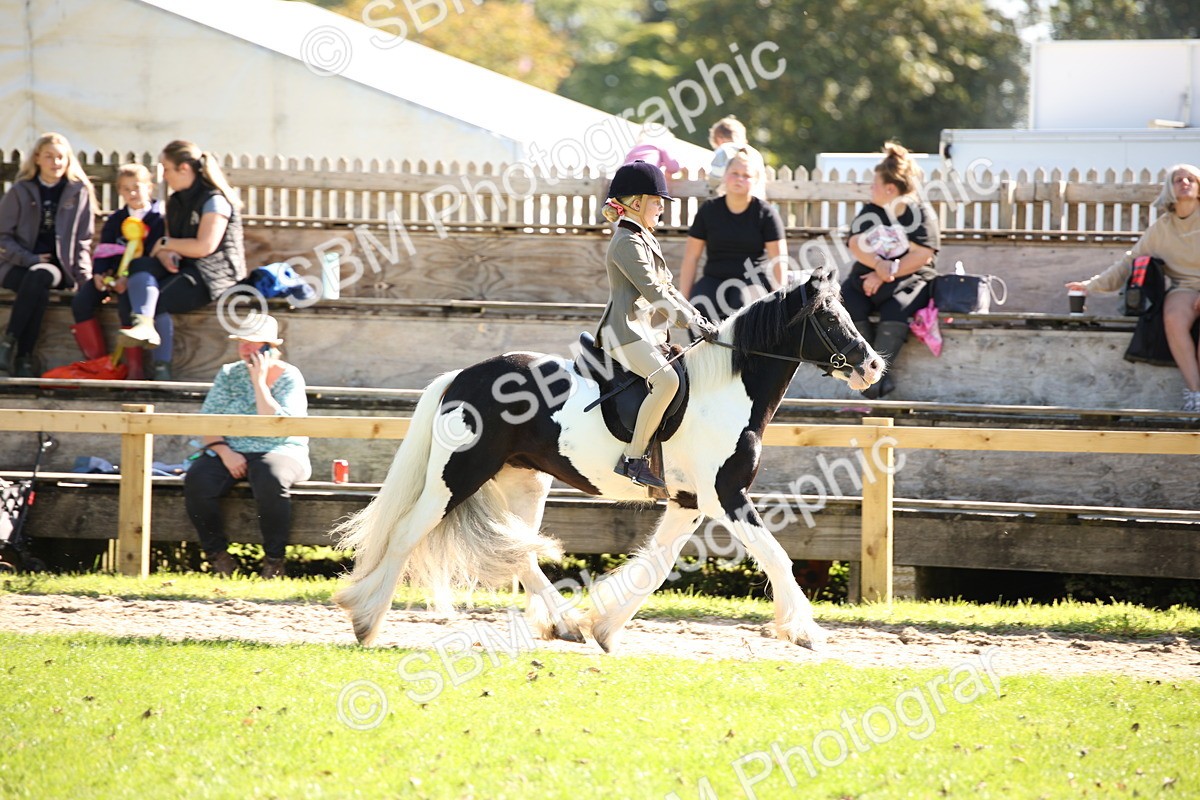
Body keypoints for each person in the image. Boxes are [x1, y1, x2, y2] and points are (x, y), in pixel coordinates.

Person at [596, 161, 719, 490]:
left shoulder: (644, 238)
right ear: (636, 203)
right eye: (656, 202)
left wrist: (697, 318)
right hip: (624, 332)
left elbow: (669, 288)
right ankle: (633, 459)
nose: (661, 209)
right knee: (666, 382)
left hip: (646, 331)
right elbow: (653, 292)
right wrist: (689, 322)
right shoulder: (627, 242)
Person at [184, 314, 310, 578]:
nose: (245, 349)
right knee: (198, 479)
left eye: (252, 344)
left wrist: (259, 382)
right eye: (242, 342)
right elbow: (209, 420)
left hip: (280, 449)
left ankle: (274, 561)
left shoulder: (290, 376)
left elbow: (276, 424)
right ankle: (218, 557)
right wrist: (225, 452)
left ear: (270, 347)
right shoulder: (229, 373)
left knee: (269, 476)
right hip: (231, 448)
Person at [1067, 164, 1200, 411]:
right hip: (1186, 287)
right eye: (1178, 179)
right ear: (1169, 189)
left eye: (1191, 179)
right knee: (1172, 316)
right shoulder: (1162, 227)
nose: (1185, 183)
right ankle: (1195, 395)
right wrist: (1090, 285)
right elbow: (1129, 261)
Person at [119, 140, 247, 380]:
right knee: (138, 268)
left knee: (155, 300)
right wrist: (166, 253)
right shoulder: (176, 201)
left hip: (214, 275)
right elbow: (174, 241)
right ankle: (137, 356)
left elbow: (205, 246)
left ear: (184, 169)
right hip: (186, 266)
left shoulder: (214, 200)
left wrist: (165, 245)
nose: (164, 176)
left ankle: (161, 371)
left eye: (166, 168)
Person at [841, 142, 940, 399]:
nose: (870, 188)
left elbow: (923, 254)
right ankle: (864, 370)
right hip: (868, 277)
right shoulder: (871, 210)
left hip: (908, 279)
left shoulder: (918, 212)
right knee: (848, 302)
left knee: (895, 307)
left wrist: (887, 271)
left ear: (890, 188)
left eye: (874, 184)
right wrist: (877, 266)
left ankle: (875, 380)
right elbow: (854, 242)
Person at [0, 132, 95, 376]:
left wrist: (84, 279)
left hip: (58, 267)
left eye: (61, 157)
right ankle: (24, 359)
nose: (55, 162)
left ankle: (8, 344)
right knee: (37, 285)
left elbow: (84, 240)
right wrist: (29, 259)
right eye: (49, 156)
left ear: (68, 160)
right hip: (16, 265)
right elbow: (3, 236)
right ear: (37, 159)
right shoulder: (21, 191)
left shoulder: (78, 191)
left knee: (40, 277)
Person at [71, 163, 165, 379]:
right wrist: (100, 274)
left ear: (149, 187)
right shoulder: (116, 220)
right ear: (119, 191)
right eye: (125, 188)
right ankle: (99, 364)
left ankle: (135, 370)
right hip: (113, 276)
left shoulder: (159, 218)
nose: (132, 193)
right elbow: (104, 250)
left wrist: (126, 279)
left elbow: (152, 255)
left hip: (139, 278)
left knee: (127, 303)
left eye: (136, 187)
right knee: (82, 301)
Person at [678, 147, 787, 323]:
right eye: (734, 173)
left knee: (744, 308)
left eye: (746, 175)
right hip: (714, 277)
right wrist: (683, 299)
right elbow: (691, 257)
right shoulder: (708, 210)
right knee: (699, 305)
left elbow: (778, 260)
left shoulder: (766, 213)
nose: (739, 179)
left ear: (756, 180)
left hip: (751, 280)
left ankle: (740, 352)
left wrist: (781, 300)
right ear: (725, 175)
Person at [706, 116, 767, 199]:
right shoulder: (755, 154)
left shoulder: (723, 150)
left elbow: (714, 180)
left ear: (719, 139)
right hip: (754, 203)